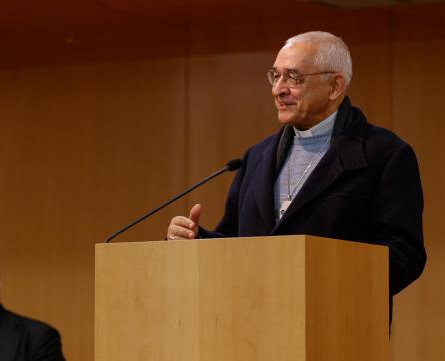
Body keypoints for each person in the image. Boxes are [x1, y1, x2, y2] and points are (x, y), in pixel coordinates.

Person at [167, 31, 426, 314]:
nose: (278, 89)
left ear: (335, 85)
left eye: (293, 77)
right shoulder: (255, 158)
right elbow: (234, 242)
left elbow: (404, 254)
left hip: (338, 324)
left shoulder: (384, 154)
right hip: (250, 324)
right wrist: (196, 241)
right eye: (275, 76)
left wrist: (317, 274)